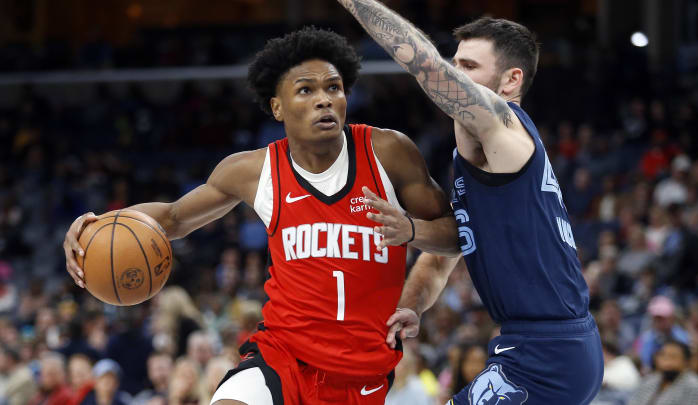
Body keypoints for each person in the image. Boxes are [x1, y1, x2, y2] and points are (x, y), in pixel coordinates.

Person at [63, 27, 458, 405]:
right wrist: (95, 225)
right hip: (281, 354)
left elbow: (457, 236)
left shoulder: (388, 153)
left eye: (333, 88)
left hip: (362, 370)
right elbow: (171, 218)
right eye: (306, 90)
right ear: (277, 106)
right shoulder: (253, 171)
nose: (324, 99)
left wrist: (413, 241)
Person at [335, 1, 604, 404]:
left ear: (511, 81)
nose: (455, 75)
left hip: (549, 351)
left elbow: (425, 65)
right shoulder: (474, 157)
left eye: (470, 68)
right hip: (540, 344)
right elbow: (452, 248)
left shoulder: (504, 126)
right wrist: (413, 305)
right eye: (455, 63)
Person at [628, 340, 698, 405]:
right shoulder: (650, 379)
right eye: (663, 355)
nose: (667, 361)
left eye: (673, 356)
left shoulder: (693, 385)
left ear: (686, 362)